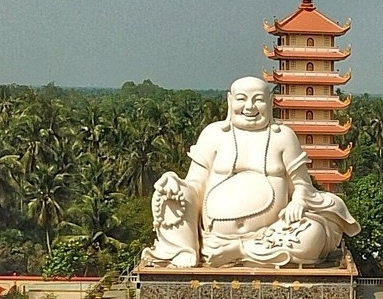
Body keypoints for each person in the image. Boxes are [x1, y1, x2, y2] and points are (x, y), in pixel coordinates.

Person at [142, 76, 361, 267]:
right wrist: (173, 182)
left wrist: (298, 202)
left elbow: (302, 185)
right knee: (168, 192)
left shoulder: (282, 137)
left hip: (272, 234)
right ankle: (185, 249)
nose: (250, 106)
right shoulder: (213, 135)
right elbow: (194, 185)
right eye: (241, 99)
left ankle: (240, 251)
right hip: (213, 238)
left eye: (258, 99)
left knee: (313, 234)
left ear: (270, 103)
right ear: (230, 101)